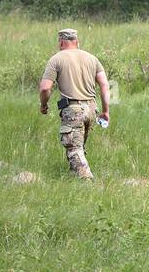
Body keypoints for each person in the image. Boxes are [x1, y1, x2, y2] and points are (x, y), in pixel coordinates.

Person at [39, 28, 110, 181]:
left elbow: (45, 88)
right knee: (79, 147)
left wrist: (43, 105)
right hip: (91, 109)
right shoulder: (92, 58)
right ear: (77, 42)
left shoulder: (56, 59)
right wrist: (105, 111)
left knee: (74, 149)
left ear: (61, 42)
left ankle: (87, 182)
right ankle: (73, 179)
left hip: (73, 111)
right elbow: (105, 85)